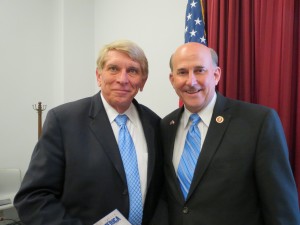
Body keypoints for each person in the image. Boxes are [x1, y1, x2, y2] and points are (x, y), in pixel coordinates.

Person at [14, 40, 163, 225]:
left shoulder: (156, 125)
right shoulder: (63, 121)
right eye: (113, 68)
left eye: (132, 71)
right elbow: (32, 198)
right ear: (99, 76)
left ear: (143, 81)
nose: (122, 79)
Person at [160, 42, 300, 225]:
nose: (191, 81)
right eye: (182, 72)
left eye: (200, 70)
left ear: (216, 75)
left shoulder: (258, 122)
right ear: (172, 79)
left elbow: (281, 208)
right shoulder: (165, 126)